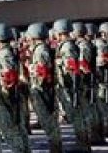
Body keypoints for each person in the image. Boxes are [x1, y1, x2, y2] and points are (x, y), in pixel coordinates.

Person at [0, 23, 30, 153]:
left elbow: (9, 77)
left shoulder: (4, 54)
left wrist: (6, 97)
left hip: (8, 98)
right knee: (19, 130)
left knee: (11, 131)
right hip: (12, 96)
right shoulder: (9, 51)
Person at [52, 18, 91, 152]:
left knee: (77, 115)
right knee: (77, 115)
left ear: (60, 32)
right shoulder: (66, 45)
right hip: (71, 85)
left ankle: (83, 145)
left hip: (71, 86)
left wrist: (71, 87)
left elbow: (72, 68)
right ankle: (83, 143)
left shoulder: (67, 47)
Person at [24, 23, 62, 153]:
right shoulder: (40, 48)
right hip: (44, 89)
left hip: (42, 90)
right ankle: (55, 146)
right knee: (48, 119)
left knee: (48, 119)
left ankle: (56, 147)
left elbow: (43, 71)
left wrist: (30, 67)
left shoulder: (40, 50)